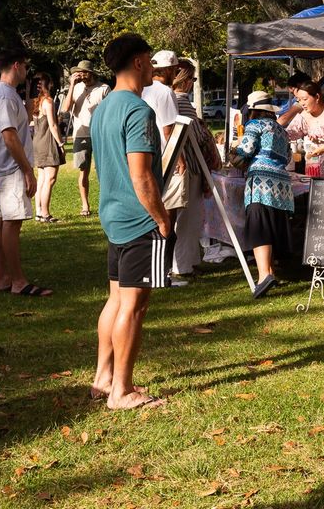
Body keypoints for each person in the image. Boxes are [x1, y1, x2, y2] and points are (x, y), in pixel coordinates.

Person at [89, 33, 171, 410]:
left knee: (115, 299)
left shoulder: (103, 107)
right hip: (139, 222)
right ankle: (121, 389)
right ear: (138, 62)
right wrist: (161, 217)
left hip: (112, 216)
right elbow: (141, 175)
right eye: (150, 60)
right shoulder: (138, 111)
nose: (153, 67)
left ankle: (103, 378)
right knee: (134, 306)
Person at [0, 48, 52, 297]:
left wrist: (26, 99)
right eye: (25, 66)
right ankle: (18, 282)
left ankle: (3, 278)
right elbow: (9, 135)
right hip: (12, 168)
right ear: (16, 65)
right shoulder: (4, 96)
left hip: (4, 168)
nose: (27, 71)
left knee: (2, 221)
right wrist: (27, 171)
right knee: (11, 225)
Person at [229, 91, 294, 299]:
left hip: (261, 182)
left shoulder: (254, 126)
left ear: (254, 110)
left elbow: (246, 150)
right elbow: (288, 156)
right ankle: (271, 271)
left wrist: (234, 149)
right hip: (282, 184)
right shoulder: (282, 130)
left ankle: (264, 276)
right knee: (272, 226)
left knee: (260, 228)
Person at [142, 50, 187, 283]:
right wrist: (180, 159)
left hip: (144, 158)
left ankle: (152, 269)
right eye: (175, 69)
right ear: (169, 70)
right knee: (168, 218)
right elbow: (169, 129)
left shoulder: (140, 88)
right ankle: (163, 272)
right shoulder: (165, 92)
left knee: (151, 216)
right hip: (165, 160)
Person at [169, 59, 208, 277]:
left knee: (183, 217)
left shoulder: (167, 100)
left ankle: (188, 261)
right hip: (189, 166)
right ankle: (182, 265)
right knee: (188, 217)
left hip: (175, 166)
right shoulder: (181, 102)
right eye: (192, 79)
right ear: (184, 81)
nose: (192, 83)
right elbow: (198, 136)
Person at [59, 60, 110, 217]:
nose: (81, 75)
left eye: (84, 72)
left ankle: (107, 203)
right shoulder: (76, 88)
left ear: (91, 73)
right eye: (78, 72)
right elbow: (65, 109)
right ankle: (85, 205)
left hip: (100, 134)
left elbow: (110, 111)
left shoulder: (104, 88)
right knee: (83, 170)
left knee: (104, 170)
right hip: (81, 134)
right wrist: (73, 85)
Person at [30, 73, 66, 223]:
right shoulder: (48, 102)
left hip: (37, 142)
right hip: (47, 142)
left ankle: (38, 212)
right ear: (49, 85)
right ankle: (45, 213)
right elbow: (52, 125)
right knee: (50, 179)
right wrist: (60, 143)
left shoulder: (36, 102)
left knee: (42, 179)